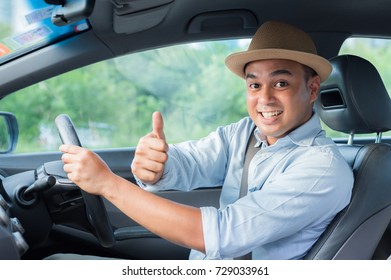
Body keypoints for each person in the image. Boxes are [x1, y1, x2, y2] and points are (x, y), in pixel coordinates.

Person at [56, 21, 354, 260]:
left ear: (313, 89)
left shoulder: (323, 169)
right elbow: (190, 161)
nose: (264, 98)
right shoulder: (243, 134)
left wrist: (108, 184)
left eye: (281, 83)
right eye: (254, 84)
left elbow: (223, 236)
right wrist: (157, 164)